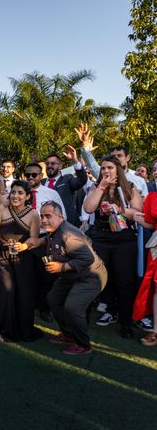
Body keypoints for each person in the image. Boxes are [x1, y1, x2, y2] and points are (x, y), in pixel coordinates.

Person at [83, 155, 143, 339]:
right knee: (95, 276)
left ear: (118, 169)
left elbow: (138, 212)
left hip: (124, 238)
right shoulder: (96, 187)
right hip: (100, 236)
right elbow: (88, 208)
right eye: (103, 168)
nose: (106, 171)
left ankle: (125, 322)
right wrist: (101, 187)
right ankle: (96, 313)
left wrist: (120, 210)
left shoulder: (129, 188)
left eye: (109, 167)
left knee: (124, 281)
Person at [37, 202, 107, 355]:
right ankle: (68, 335)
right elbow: (51, 241)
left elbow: (87, 259)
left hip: (91, 276)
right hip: (71, 275)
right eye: (41, 216)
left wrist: (61, 267)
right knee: (53, 299)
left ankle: (83, 345)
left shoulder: (68, 235)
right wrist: (37, 242)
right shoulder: (55, 229)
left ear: (60, 216)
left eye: (48, 216)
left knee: (73, 307)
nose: (43, 220)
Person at [0, 180, 44, 343]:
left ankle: (24, 328)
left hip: (23, 257)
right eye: (13, 192)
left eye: (20, 193)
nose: (16, 196)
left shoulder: (33, 214)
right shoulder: (2, 209)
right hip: (2, 255)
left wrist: (24, 245)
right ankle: (6, 330)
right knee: (5, 291)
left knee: (24, 293)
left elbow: (34, 238)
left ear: (27, 196)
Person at [24, 162, 66, 322]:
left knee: (45, 276)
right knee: (27, 275)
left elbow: (62, 217)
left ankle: (45, 308)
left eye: (34, 174)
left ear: (41, 176)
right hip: (24, 238)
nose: (30, 178)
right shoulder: (20, 193)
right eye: (28, 175)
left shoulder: (51, 193)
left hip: (44, 239)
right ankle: (29, 304)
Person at [76, 122, 149, 196]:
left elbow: (146, 204)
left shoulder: (139, 181)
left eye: (119, 155)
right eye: (113, 157)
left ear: (127, 158)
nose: (116, 158)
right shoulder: (105, 177)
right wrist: (84, 146)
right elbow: (92, 165)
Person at [132, 191, 157, 345]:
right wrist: (139, 219)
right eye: (155, 169)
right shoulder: (153, 197)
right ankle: (155, 330)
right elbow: (150, 223)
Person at [42, 149, 87, 227]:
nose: (49, 166)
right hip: (45, 225)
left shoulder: (67, 179)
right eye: (47, 164)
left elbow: (81, 180)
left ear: (60, 166)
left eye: (53, 164)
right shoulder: (41, 183)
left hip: (67, 225)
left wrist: (75, 161)